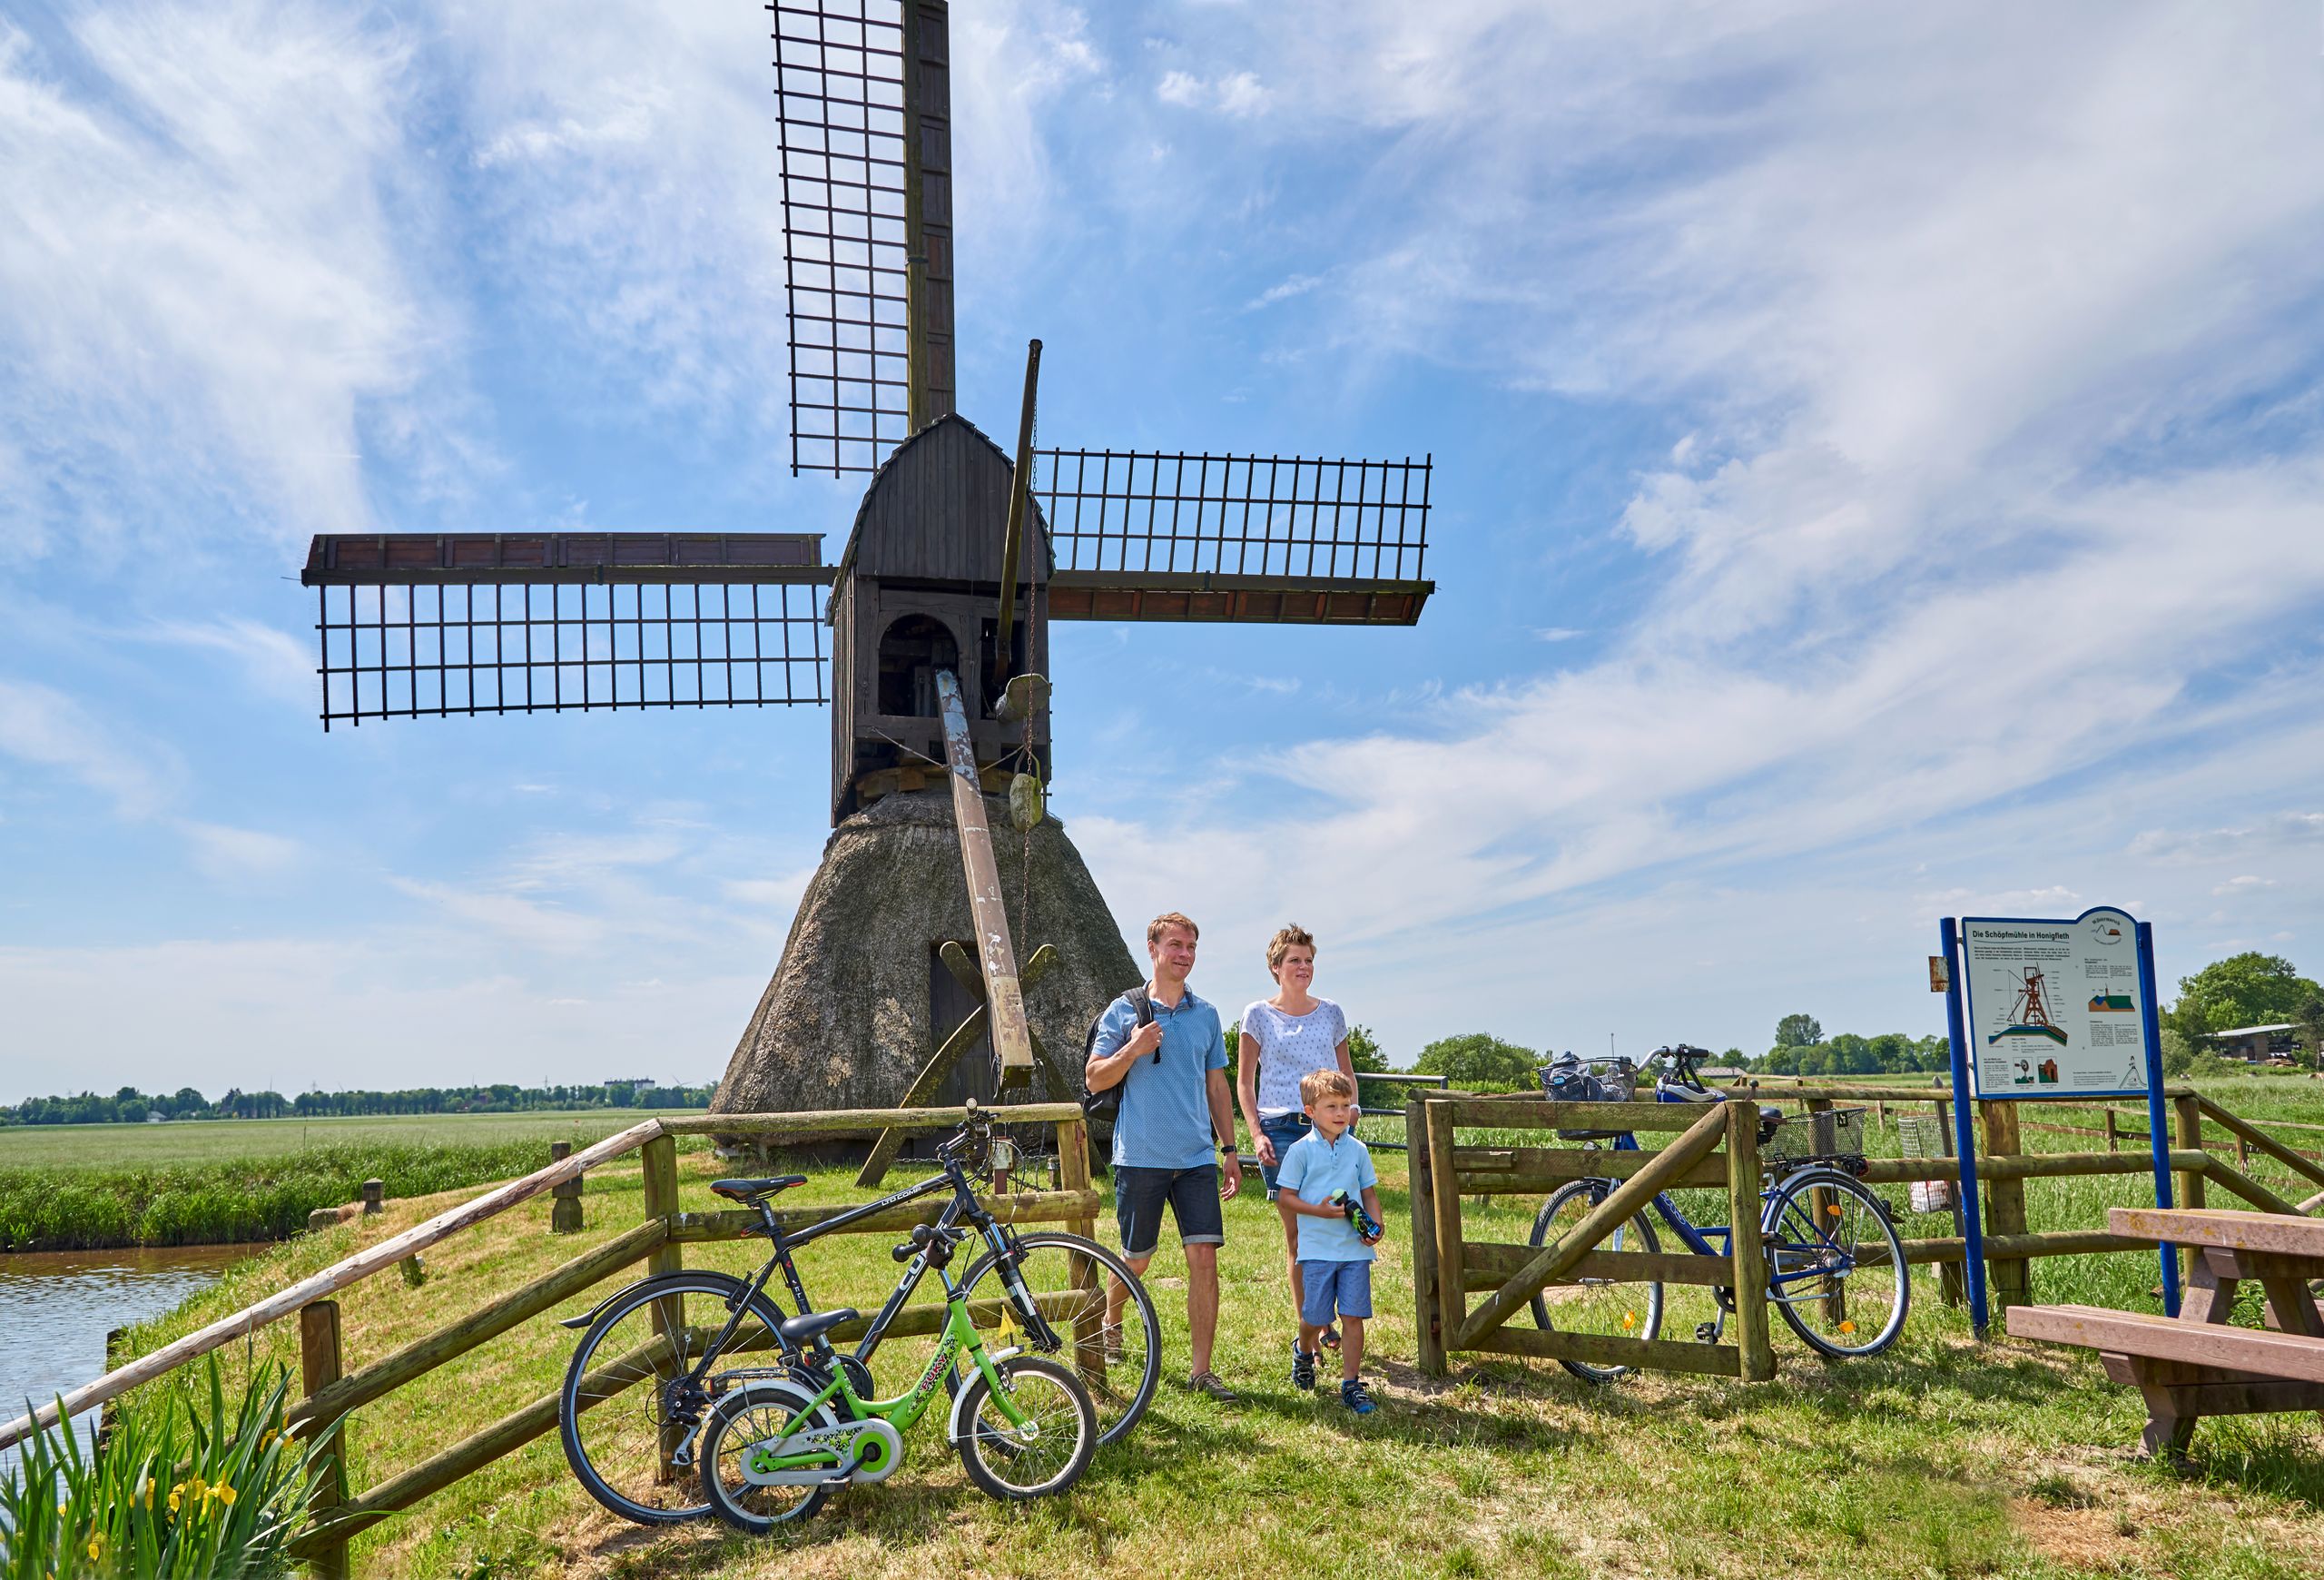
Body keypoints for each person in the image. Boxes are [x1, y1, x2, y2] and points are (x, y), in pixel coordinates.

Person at [1085, 911, 1245, 1401]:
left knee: (1204, 1259)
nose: (1185, 955)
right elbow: (1094, 1078)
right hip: (1141, 1156)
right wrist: (1133, 1049)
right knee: (1137, 1260)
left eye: (1192, 947)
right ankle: (1112, 1317)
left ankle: (1202, 1371)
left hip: (1196, 1158)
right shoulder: (1124, 1011)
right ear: (1152, 949)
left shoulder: (1207, 1015)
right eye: (1176, 945)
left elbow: (1218, 1086)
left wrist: (1230, 1149)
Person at [1235, 924, 1355, 1347]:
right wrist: (1255, 1134)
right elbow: (1245, 1082)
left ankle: (1327, 1315)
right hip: (1282, 1131)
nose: (1303, 967)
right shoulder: (1257, 1015)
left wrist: (1349, 1118)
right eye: (1294, 960)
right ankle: (1315, 1325)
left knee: (1338, 1228)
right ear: (1276, 967)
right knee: (1301, 1236)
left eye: (1308, 960)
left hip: (1330, 1129)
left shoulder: (1332, 1013)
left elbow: (1346, 1075)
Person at [1275, 1069, 1384, 1415]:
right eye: (1331, 1106)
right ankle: (1304, 1349)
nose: (1341, 1113)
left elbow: (1368, 1192)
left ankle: (1351, 1384)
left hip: (1354, 1251)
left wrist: (1376, 1225)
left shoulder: (1358, 1150)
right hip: (1317, 1250)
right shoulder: (1300, 1151)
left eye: (1346, 1105)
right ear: (1310, 1111)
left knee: (1354, 1316)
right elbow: (1285, 1198)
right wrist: (1317, 1212)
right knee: (1314, 1315)